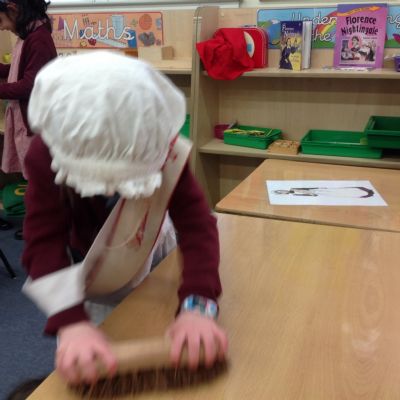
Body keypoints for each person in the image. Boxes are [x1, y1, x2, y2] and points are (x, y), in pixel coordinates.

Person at [21, 51, 228, 385]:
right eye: (98, 179)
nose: (110, 189)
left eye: (125, 178)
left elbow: (197, 226)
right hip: (86, 266)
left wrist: (198, 304)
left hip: (148, 240)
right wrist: (71, 323)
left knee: (147, 319)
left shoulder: (158, 143)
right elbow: (44, 243)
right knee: (87, 352)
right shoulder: (47, 151)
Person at [0, 0, 57, 235]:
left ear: (14, 10)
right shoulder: (29, 35)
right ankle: (42, 224)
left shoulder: (38, 39)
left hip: (35, 120)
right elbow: (18, 69)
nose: (2, 27)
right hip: (29, 117)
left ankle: (45, 227)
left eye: (1, 20)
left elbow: (28, 85)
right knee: (36, 177)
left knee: (39, 178)